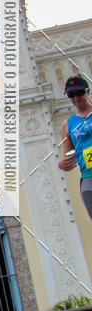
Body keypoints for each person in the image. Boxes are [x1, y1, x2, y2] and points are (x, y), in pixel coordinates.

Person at [58, 74, 92, 221]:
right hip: (88, 177)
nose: (76, 97)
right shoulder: (67, 124)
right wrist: (62, 164)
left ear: (87, 91)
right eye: (71, 94)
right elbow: (68, 158)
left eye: (79, 93)